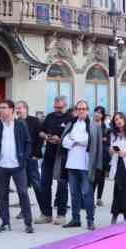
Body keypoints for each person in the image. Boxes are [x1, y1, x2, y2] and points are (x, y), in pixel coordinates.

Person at [0, 99, 33, 234]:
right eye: (0, 108)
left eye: (4, 107)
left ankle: (28, 223)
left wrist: (24, 158)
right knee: (2, 195)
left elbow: (28, 142)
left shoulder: (20, 125)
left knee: (23, 193)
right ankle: (5, 222)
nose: (1, 110)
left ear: (11, 110)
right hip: (1, 166)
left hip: (18, 165)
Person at [58, 99, 103, 231]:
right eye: (79, 109)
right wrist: (74, 141)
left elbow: (87, 141)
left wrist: (74, 140)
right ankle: (75, 219)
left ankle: (90, 220)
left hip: (86, 165)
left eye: (83, 109)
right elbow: (64, 140)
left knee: (88, 194)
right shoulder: (71, 124)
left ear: (87, 110)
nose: (81, 111)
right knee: (74, 193)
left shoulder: (94, 126)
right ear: (76, 111)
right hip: (71, 164)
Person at [37, 96, 71, 225]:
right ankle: (46, 214)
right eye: (55, 107)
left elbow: (72, 137)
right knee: (44, 184)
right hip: (49, 154)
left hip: (62, 156)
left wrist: (60, 140)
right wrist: (46, 136)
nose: (57, 109)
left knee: (62, 185)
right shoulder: (50, 117)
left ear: (65, 105)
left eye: (60, 107)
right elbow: (41, 131)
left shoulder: (70, 118)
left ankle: (61, 214)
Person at [15, 101, 42, 218]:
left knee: (37, 184)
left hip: (31, 158)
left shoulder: (35, 121)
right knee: (22, 187)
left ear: (26, 109)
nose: (17, 110)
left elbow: (40, 139)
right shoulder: (15, 123)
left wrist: (36, 154)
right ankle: (24, 210)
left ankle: (44, 210)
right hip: (19, 160)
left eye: (19, 108)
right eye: (16, 108)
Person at [92, 107, 110, 207]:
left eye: (100, 113)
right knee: (94, 178)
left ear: (103, 115)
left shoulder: (105, 127)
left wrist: (103, 140)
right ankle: (91, 198)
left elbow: (108, 140)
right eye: (96, 112)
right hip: (93, 155)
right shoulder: (90, 125)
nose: (97, 114)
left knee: (101, 177)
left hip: (103, 155)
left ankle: (99, 198)